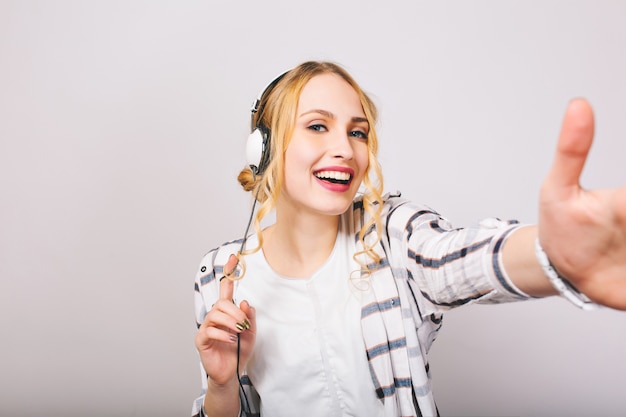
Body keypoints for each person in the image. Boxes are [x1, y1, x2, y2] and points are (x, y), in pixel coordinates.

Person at [192, 61, 626, 417]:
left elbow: (457, 260)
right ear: (263, 149)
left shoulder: (392, 233)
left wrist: (552, 253)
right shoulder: (220, 275)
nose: (345, 148)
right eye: (318, 127)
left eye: (357, 132)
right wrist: (222, 386)